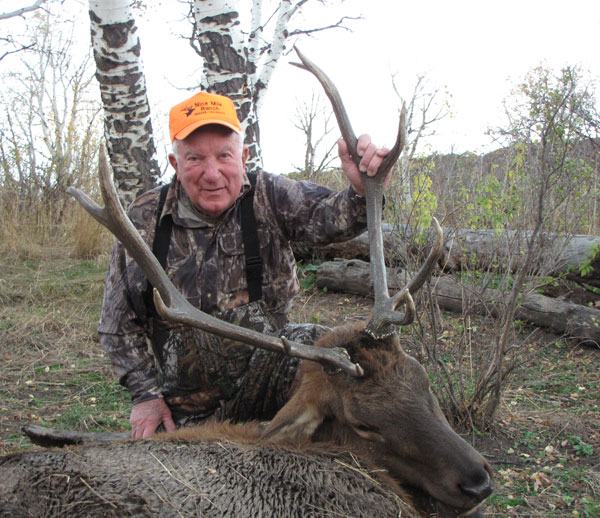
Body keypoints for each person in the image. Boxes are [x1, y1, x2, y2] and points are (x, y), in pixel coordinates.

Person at [98, 91, 391, 439]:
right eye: (194, 158)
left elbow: (330, 217)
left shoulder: (269, 195)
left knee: (325, 350)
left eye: (224, 155)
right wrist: (145, 396)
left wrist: (360, 191)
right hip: (189, 406)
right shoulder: (144, 217)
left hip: (271, 380)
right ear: (176, 165)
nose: (212, 173)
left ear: (243, 156)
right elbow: (117, 324)